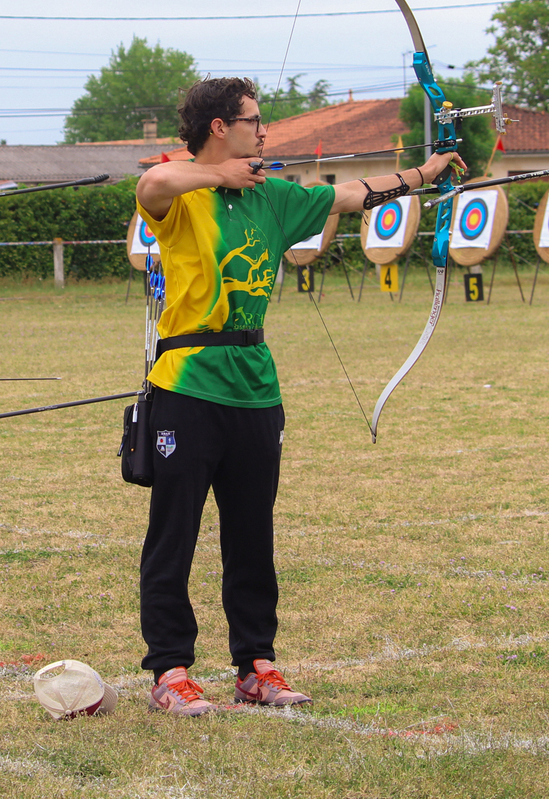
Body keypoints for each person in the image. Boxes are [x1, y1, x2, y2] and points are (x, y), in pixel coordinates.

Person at [132, 76, 462, 715]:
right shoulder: (182, 194)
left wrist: (427, 172)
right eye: (253, 121)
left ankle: (256, 665)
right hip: (187, 384)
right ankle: (169, 670)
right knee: (173, 534)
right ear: (220, 128)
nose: (264, 131)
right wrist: (219, 176)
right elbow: (153, 183)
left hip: (256, 387)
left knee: (252, 535)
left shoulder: (273, 196)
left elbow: (351, 194)